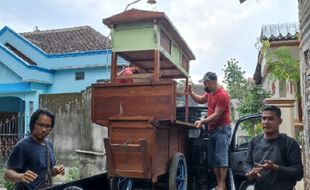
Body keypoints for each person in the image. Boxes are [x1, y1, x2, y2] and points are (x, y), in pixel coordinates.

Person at [186, 72, 231, 190]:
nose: (204, 85)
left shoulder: (222, 95)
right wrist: (191, 94)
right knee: (213, 159)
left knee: (221, 157)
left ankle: (222, 185)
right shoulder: (209, 92)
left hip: (222, 129)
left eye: (205, 83)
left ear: (211, 82)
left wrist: (202, 122)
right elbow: (201, 100)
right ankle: (219, 184)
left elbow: (216, 115)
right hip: (212, 129)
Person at [243, 105, 303, 190]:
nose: (266, 122)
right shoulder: (254, 141)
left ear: (280, 121)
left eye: (270, 119)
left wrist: (275, 168)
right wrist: (249, 172)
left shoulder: (289, 143)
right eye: (264, 118)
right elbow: (247, 162)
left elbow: (299, 173)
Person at [4, 108, 65, 190]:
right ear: (33, 125)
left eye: (48, 126)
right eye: (41, 125)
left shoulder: (49, 145)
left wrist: (56, 170)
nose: (44, 130)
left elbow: (48, 171)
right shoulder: (22, 146)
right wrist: (21, 176)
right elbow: (7, 174)